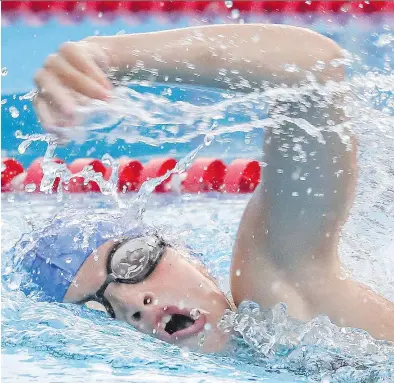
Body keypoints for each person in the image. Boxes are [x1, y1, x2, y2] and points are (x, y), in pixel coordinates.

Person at [20, 24, 394, 353]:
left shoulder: (283, 305)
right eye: (97, 310)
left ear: (185, 254)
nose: (133, 302)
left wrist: (108, 57)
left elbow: (313, 70)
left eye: (132, 262)